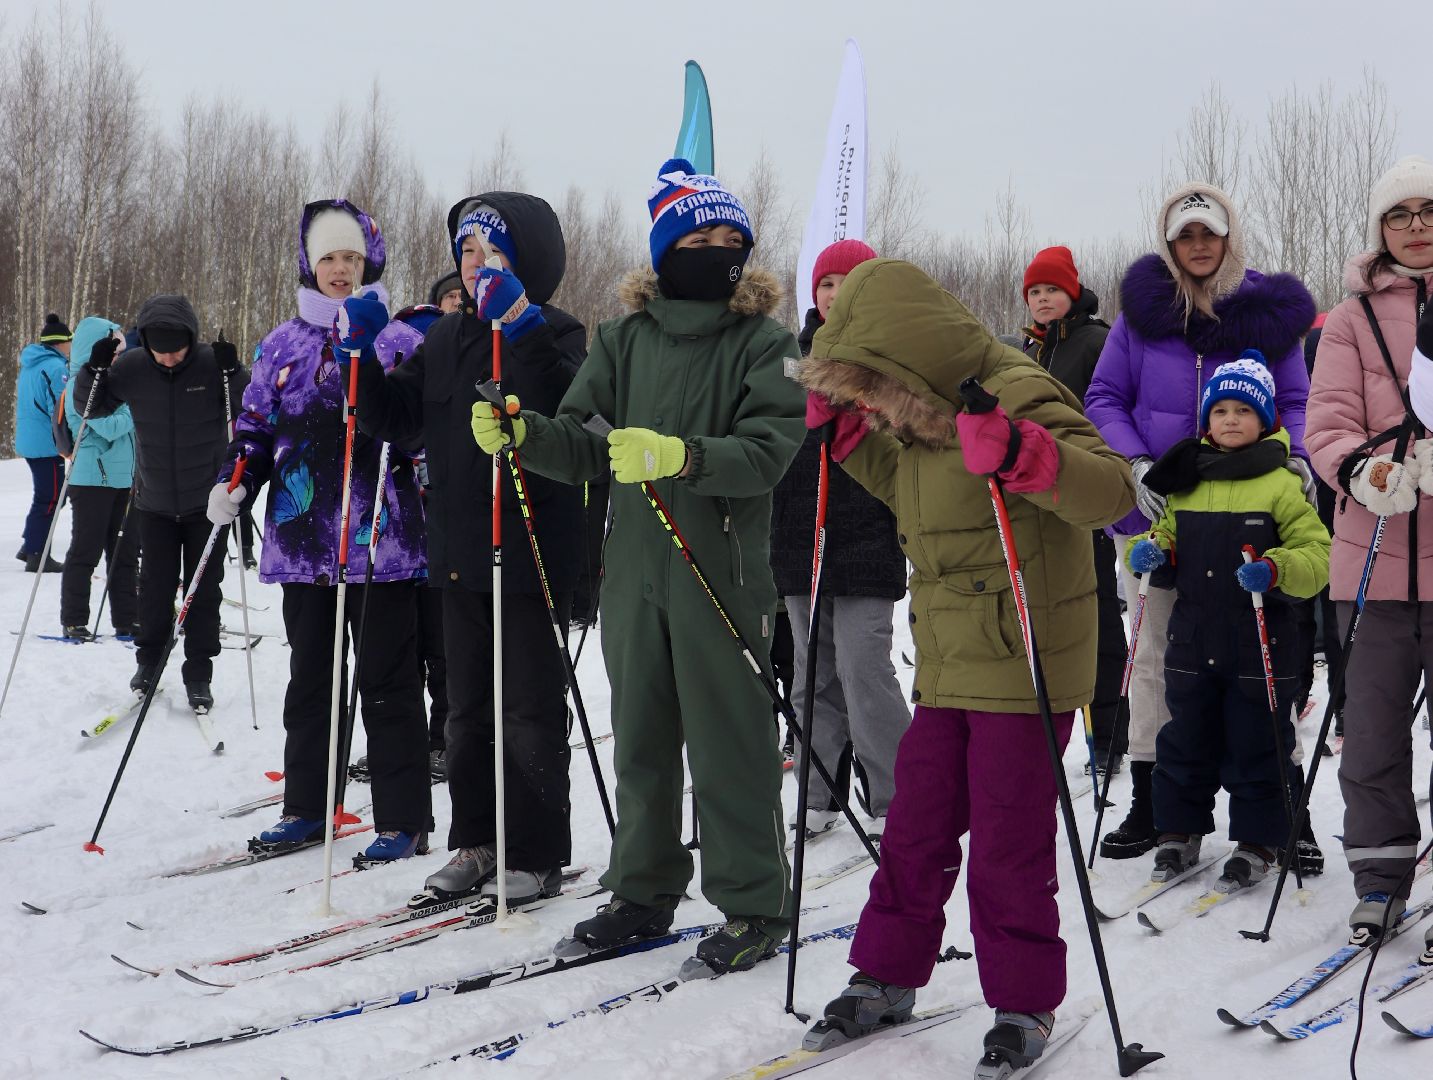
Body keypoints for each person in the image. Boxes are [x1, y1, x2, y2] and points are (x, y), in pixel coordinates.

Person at [799, 258, 1133, 1070]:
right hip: (949, 658)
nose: (873, 396)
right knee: (913, 827)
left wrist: (1027, 452)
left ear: (907, 351)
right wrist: (850, 440)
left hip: (1026, 659)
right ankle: (883, 975)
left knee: (1007, 845)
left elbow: (1111, 492)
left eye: (874, 382)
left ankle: (1023, 1000)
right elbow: (921, 490)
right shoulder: (917, 406)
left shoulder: (1014, 391)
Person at [475, 159, 804, 975]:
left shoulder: (767, 343)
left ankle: (756, 902)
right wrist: (526, 436)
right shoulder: (624, 340)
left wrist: (681, 456)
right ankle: (642, 888)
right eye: (699, 237)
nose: (717, 249)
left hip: (720, 572)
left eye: (731, 238)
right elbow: (583, 437)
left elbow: (768, 452)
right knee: (643, 741)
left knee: (732, 744)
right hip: (634, 571)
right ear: (664, 250)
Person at [353, 191, 585, 904]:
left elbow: (576, 412)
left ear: (526, 262)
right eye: (464, 249)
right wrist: (359, 355)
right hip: (456, 550)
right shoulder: (445, 338)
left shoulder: (559, 333)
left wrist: (520, 326)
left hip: (529, 554)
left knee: (527, 709)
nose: (471, 262)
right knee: (465, 710)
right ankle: (477, 841)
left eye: (488, 249)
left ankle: (537, 851)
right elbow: (395, 418)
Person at [1084, 183, 1316, 858]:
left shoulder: (1264, 312)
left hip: (1248, 510)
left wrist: (1295, 456)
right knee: (1156, 660)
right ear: (1169, 241)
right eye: (1184, 235)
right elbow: (1103, 395)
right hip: (1160, 515)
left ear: (1227, 236)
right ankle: (1154, 802)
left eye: (1207, 234)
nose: (1197, 246)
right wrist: (1131, 462)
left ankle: (1281, 805)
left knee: (1262, 663)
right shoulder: (1140, 315)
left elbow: (1296, 399)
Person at [211, 199, 433, 860]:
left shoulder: (399, 339)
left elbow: (419, 431)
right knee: (311, 679)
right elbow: (254, 430)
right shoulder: (280, 343)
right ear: (310, 266)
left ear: (370, 265)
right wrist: (236, 480)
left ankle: (403, 818)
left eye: (351, 259)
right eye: (328, 258)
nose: (340, 270)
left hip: (380, 545)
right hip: (304, 540)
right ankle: (307, 807)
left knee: (388, 683)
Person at [1125, 355, 1330, 891]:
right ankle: (1178, 832)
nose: (1232, 419)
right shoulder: (1188, 481)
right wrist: (1151, 554)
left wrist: (1277, 568)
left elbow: (1317, 554)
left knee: (1257, 742)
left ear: (1265, 420)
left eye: (1244, 409)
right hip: (1192, 642)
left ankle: (1259, 840)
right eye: (1220, 410)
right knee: (1184, 739)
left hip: (1260, 642)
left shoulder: (1282, 484)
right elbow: (1165, 538)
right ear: (1206, 420)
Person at [1314, 155, 1433, 944]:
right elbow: (1323, 422)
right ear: (1380, 229)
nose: (1415, 227)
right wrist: (1363, 468)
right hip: (1375, 554)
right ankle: (1381, 875)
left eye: (1428, 212)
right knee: (1373, 733)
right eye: (1400, 215)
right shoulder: (1349, 316)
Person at [769, 238, 909, 838]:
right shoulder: (786, 362)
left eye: (849, 284)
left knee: (863, 668)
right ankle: (818, 791)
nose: (835, 294)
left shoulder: (892, 364)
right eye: (828, 284)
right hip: (800, 534)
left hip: (866, 535)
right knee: (811, 673)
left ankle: (895, 794)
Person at [74, 295, 246, 710]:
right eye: (160, 352)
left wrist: (234, 371)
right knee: (153, 589)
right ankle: (148, 663)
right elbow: (90, 406)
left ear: (192, 339)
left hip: (206, 504)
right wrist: (93, 369)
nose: (168, 360)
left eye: (177, 351)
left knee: (204, 592)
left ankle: (199, 673)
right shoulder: (132, 367)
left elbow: (246, 407)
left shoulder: (210, 364)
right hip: (152, 501)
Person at [1020, 245, 1127, 775]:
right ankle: (1045, 724)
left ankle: (1108, 731)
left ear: (1072, 293)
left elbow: (1107, 411)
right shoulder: (1026, 350)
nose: (1042, 300)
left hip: (1085, 495)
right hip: (1036, 503)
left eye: (1051, 290)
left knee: (1098, 612)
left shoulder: (1095, 342)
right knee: (1044, 614)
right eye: (1035, 292)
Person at [59, 318, 139, 640]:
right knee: (85, 552)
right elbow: (108, 426)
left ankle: (127, 619)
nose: (117, 357)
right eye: (113, 351)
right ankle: (74, 619)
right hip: (92, 479)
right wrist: (136, 409)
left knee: (124, 554)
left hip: (124, 480)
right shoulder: (80, 383)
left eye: (120, 351)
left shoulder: (118, 383)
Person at [15, 313, 71, 573]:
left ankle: (30, 546)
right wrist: (68, 441)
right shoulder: (56, 367)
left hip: (32, 441)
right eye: (70, 342)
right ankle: (38, 553)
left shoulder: (31, 364)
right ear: (61, 343)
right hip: (47, 444)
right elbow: (60, 409)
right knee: (51, 497)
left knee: (48, 495)